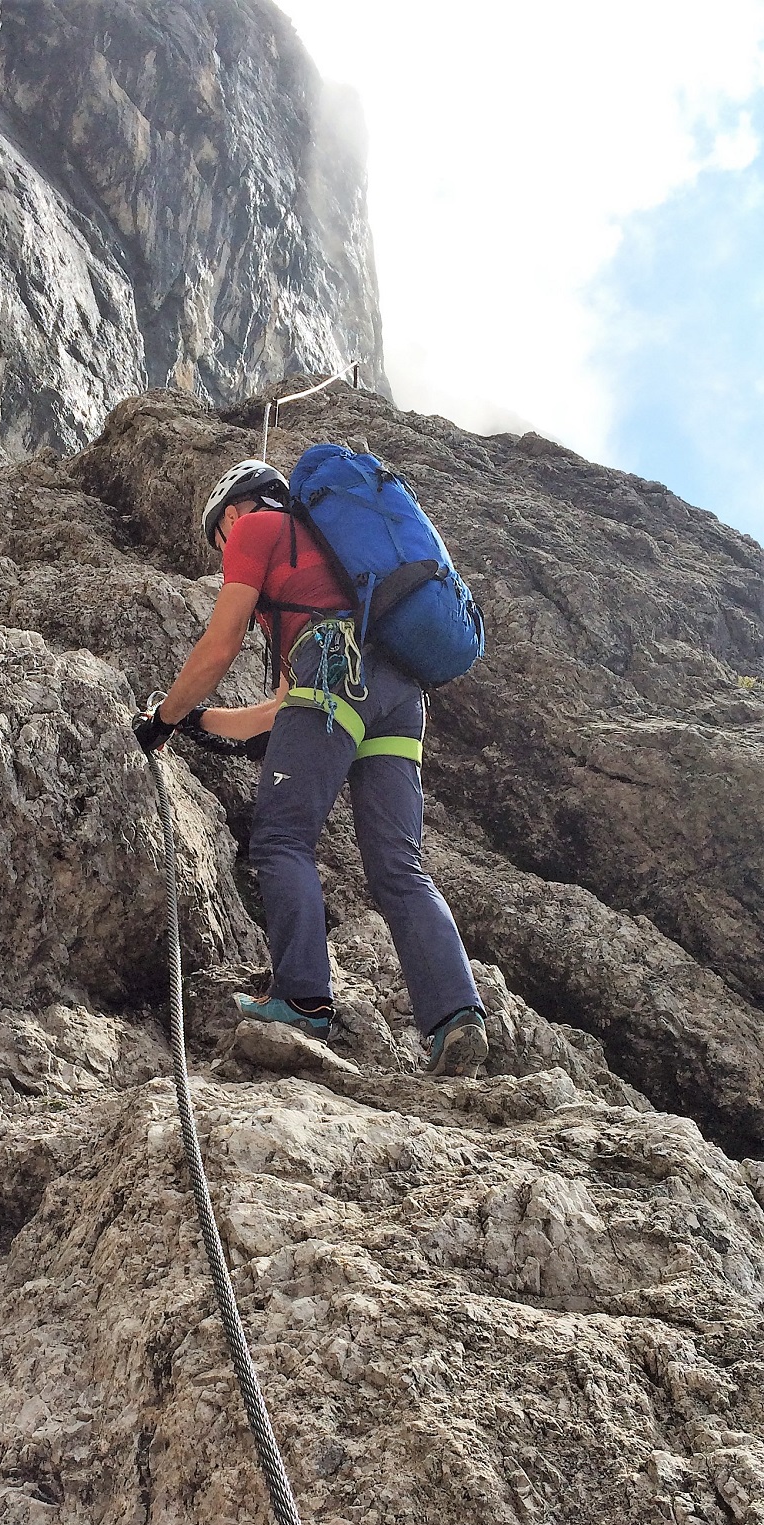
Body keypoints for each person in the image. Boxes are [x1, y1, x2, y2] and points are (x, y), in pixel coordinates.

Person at [132, 459, 488, 1076]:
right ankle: (456, 1018)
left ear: (233, 513)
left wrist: (162, 718)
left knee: (281, 840)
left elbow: (220, 644)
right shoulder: (334, 566)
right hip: (400, 695)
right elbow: (279, 713)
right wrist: (194, 721)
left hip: (333, 671)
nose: (224, 551)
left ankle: (301, 1000)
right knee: (399, 866)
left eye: (219, 538)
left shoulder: (254, 530)